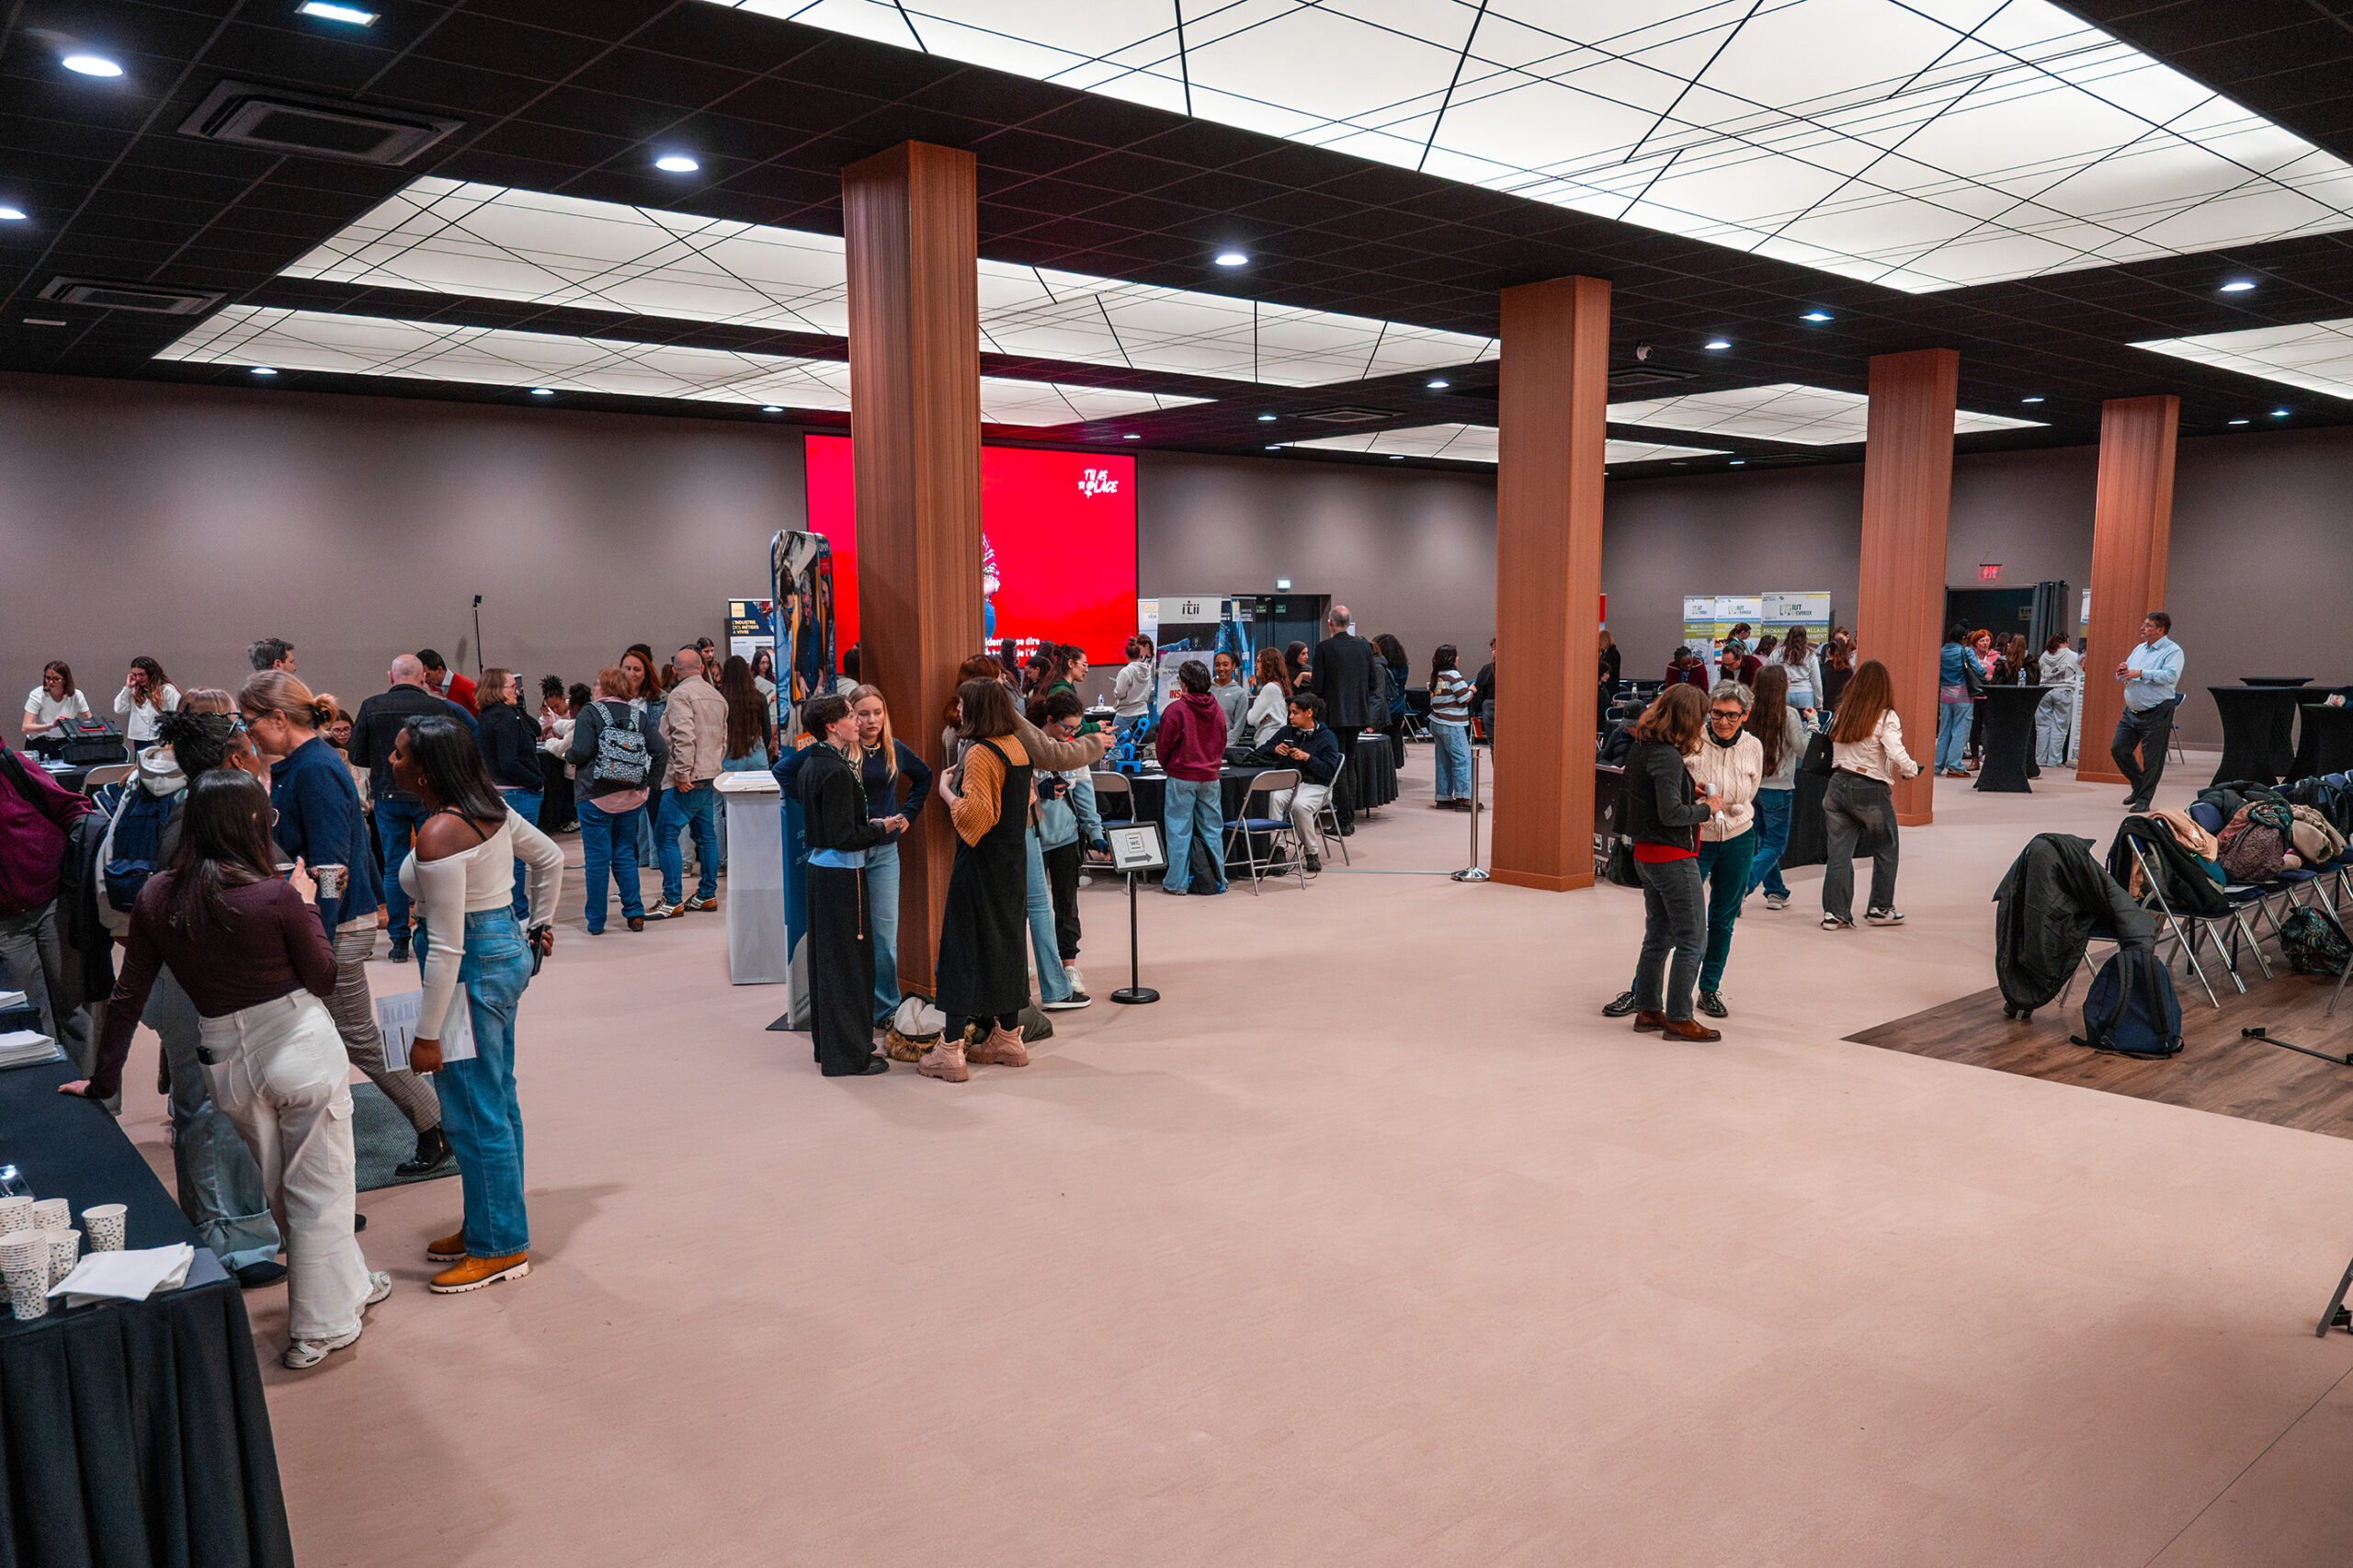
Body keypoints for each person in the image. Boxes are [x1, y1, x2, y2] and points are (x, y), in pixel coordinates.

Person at [66, 771, 389, 1368]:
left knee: (285, 1190)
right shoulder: (274, 896)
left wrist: (104, 1081)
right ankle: (319, 1328)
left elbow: (128, 995)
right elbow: (323, 977)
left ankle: (351, 1287)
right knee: (320, 1188)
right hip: (297, 1045)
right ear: (249, 825)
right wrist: (311, 904)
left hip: (225, 1063)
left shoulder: (161, 896)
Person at [90, 705, 285, 1284]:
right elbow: (209, 897)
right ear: (232, 757)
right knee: (215, 1109)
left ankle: (216, 1228)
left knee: (203, 1107)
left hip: (176, 976)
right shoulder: (203, 812)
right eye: (249, 745)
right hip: (197, 978)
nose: (256, 753)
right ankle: (235, 1247)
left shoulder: (166, 795)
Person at [243, 671, 449, 1176]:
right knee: (350, 1037)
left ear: (277, 718)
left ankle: (435, 1127)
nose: (248, 733)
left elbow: (330, 867)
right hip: (329, 921)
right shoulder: (301, 764)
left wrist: (320, 929)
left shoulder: (314, 768)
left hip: (336, 926)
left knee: (360, 1040)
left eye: (250, 722)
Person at [390, 716, 562, 1294]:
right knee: (495, 1096)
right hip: (501, 948)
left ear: (425, 768)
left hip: (471, 963)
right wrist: (537, 925)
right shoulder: (488, 808)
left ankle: (499, 1248)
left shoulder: (441, 833)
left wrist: (427, 1032)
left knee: (471, 1106)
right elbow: (551, 860)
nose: (391, 761)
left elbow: (446, 945)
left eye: (398, 753)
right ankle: (490, 1223)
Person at [925, 679, 1040, 1083]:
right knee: (1007, 943)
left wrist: (944, 790)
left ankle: (950, 1049)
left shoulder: (979, 753)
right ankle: (1008, 1037)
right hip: (1012, 861)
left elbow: (974, 820)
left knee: (962, 948)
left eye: (961, 703)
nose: (957, 709)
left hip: (979, 864)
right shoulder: (1017, 746)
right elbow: (1024, 801)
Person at [792, 693, 903, 1076]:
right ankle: (849, 1055)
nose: (858, 722)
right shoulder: (836, 770)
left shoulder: (815, 763)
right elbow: (844, 836)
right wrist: (880, 828)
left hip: (824, 873)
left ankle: (832, 1048)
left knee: (830, 961)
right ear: (831, 726)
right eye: (850, 716)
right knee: (847, 963)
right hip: (843, 874)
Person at [349, 653, 477, 963]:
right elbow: (472, 731)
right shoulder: (439, 705)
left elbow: (356, 754)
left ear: (391, 677)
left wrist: (387, 763)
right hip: (429, 795)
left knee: (393, 867)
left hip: (387, 795)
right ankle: (436, 932)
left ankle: (397, 941)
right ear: (423, 678)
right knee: (435, 864)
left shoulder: (370, 706)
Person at [1612, 685, 1723, 1042]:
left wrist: (1685, 789)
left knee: (1658, 936)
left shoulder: (1643, 748)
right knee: (1693, 939)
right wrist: (1708, 808)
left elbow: (1654, 798)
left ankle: (1648, 1009)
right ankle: (1678, 1016)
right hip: (1671, 857)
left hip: (1648, 855)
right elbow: (1671, 814)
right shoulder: (1666, 756)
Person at [0, 721, 96, 1080]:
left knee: (74, 1009)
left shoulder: (11, 766)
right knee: (30, 1018)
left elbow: (74, 809)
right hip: (7, 923)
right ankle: (57, 1102)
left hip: (54, 903)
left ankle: (93, 1100)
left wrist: (85, 863)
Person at [847, 684, 929, 1021]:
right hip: (845, 855)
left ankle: (886, 1010)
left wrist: (908, 816)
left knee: (883, 937)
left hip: (884, 854)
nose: (872, 720)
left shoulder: (893, 749)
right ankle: (852, 1008)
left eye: (877, 713)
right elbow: (786, 772)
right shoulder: (838, 750)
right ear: (851, 715)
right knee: (850, 935)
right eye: (863, 713)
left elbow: (924, 778)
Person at [1820, 659, 1920, 930]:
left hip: (1837, 784)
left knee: (1839, 853)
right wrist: (1911, 770)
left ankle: (1834, 913)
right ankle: (1880, 907)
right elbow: (1895, 750)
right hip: (1869, 789)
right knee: (1887, 848)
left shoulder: (1843, 712)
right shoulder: (1886, 715)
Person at [567, 666, 667, 935]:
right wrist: (649, 785)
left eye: (597, 683)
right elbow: (661, 752)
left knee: (597, 860)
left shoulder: (590, 712)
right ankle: (635, 913)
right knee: (624, 855)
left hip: (595, 797)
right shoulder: (639, 716)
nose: (594, 687)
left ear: (606, 686)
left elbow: (582, 750)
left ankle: (596, 921)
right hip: (630, 798)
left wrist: (565, 753)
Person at [1686, 682, 1762, 1018]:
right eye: (1717, 713)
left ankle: (1709, 988)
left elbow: (1750, 791)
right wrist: (1695, 793)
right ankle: (1644, 989)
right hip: (1696, 836)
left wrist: (1727, 804)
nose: (1723, 721)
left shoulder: (1753, 746)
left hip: (1738, 836)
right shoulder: (1691, 740)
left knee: (1723, 920)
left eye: (1732, 715)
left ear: (1745, 715)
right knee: (1679, 920)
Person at [1030, 689, 1103, 970]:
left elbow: (1085, 796)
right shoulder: (1030, 746)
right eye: (1066, 727)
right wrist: (1039, 790)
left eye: (1076, 729)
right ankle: (1021, 966)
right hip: (1033, 839)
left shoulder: (1074, 750)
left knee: (1067, 906)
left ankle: (1068, 966)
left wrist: (1095, 833)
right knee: (1025, 908)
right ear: (1049, 720)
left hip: (1066, 838)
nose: (1070, 733)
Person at [652, 644, 725, 918]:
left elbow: (683, 736)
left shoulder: (680, 695)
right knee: (706, 837)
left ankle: (672, 899)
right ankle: (706, 895)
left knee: (665, 835)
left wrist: (682, 773)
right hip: (709, 775)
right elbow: (722, 740)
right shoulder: (716, 696)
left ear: (674, 671)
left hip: (686, 778)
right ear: (702, 668)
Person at [473, 668, 544, 922]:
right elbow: (508, 762)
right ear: (496, 689)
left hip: (506, 790)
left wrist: (519, 705)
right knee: (516, 858)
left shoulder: (498, 714)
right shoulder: (503, 718)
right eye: (510, 686)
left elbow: (535, 727)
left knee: (509, 856)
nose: (516, 690)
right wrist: (536, 783)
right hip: (518, 792)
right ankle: (519, 913)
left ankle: (515, 911)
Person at [1154, 660, 1230, 896]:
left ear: (1183, 684)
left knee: (1179, 831)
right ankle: (1219, 880)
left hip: (1181, 776)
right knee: (1212, 830)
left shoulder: (1175, 710)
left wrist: (1169, 767)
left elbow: (1163, 746)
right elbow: (1223, 740)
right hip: (1210, 777)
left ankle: (1177, 883)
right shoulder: (1217, 708)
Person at [1248, 691, 1343, 874]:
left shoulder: (1327, 737)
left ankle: (1311, 853)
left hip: (1318, 787)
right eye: (1289, 713)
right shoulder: (1287, 732)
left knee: (1300, 805)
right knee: (1275, 797)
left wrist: (1308, 758)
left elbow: (1329, 772)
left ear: (1309, 713)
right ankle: (1278, 848)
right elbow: (1261, 750)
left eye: (1295, 713)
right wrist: (1275, 749)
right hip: (1292, 786)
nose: (1290, 717)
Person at [1309, 604, 1381, 834]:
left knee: (1338, 766)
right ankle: (1348, 817)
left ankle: (1344, 819)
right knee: (1349, 763)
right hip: (1358, 714)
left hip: (1333, 715)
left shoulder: (1324, 648)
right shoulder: (1364, 646)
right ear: (1349, 623)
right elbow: (1372, 683)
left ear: (1330, 623)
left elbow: (1317, 687)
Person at [1744, 665, 1808, 912]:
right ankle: (1741, 888)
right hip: (1778, 789)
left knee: (1763, 842)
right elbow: (1802, 749)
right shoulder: (1788, 715)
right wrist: (1812, 725)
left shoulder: (1749, 713)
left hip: (1753, 787)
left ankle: (1776, 892)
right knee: (1775, 845)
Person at [2111, 610, 2184, 811]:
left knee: (2153, 758)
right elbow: (2128, 673)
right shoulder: (2139, 649)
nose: (2143, 629)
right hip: (2132, 712)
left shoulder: (2172, 651)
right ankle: (2138, 784)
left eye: (2148, 626)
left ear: (2160, 630)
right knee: (2118, 749)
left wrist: (2140, 673)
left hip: (2157, 712)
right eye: (2144, 625)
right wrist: (2123, 672)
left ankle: (2144, 799)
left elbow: (2170, 676)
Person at [622, 644, 667, 869]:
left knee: (656, 825)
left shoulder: (660, 700)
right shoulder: (612, 702)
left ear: (646, 671)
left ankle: (657, 866)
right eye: (627, 668)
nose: (632, 673)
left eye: (637, 669)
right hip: (621, 774)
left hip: (650, 772)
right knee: (626, 832)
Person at [1427, 643, 1476, 810]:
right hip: (1451, 724)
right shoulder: (1454, 675)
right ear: (1451, 659)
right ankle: (1463, 797)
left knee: (1443, 761)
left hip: (1436, 722)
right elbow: (1464, 698)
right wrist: (1472, 690)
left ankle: (1443, 797)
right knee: (1463, 759)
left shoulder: (1437, 676)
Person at [718, 654, 775, 772]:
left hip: (731, 750)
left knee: (729, 789)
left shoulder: (721, 699)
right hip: (757, 749)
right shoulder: (759, 698)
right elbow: (767, 731)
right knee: (759, 788)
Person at [1935, 624, 1976, 778]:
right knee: (1960, 729)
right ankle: (1954, 766)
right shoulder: (1965, 652)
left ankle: (1937, 765)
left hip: (1945, 693)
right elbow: (1979, 670)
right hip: (1962, 693)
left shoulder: (1941, 652)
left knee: (1944, 730)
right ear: (1963, 638)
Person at [113, 656, 181, 744]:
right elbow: (120, 710)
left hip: (161, 739)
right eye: (134, 675)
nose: (137, 679)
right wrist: (127, 688)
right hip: (140, 739)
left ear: (151, 674)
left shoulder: (167, 691)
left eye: (141, 675)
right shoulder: (133, 690)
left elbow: (177, 716)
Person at [21, 659, 89, 741]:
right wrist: (51, 726)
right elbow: (25, 728)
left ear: (65, 680)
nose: (50, 682)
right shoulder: (37, 695)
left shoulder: (77, 695)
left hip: (67, 740)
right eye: (48, 678)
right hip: (40, 740)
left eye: (56, 679)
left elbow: (89, 721)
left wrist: (71, 724)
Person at [1240, 647, 1291, 746]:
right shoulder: (1280, 686)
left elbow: (1251, 719)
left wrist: (1257, 716)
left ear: (1268, 664)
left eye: (1259, 661)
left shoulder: (1270, 689)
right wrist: (1260, 718)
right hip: (1276, 740)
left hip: (1267, 741)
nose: (1255, 665)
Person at [1774, 627, 1823, 726]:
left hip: (1784, 692)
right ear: (1805, 638)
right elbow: (1816, 682)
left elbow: (1769, 673)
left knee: (1784, 726)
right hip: (1805, 693)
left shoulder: (1777, 653)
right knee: (1804, 726)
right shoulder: (1810, 655)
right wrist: (1819, 703)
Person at [1376, 633, 1411, 765]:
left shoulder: (1381, 668)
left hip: (1383, 709)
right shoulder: (1403, 667)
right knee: (1394, 740)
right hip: (1398, 708)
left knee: (1380, 743)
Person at [416, 649, 478, 714]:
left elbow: (481, 713)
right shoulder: (428, 687)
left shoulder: (466, 686)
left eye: (427, 675)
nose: (424, 679)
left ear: (439, 669)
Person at [1111, 636, 1156, 722]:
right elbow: (1149, 690)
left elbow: (1119, 693)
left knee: (1117, 736)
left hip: (1126, 714)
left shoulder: (1126, 672)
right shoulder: (1148, 670)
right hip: (1143, 712)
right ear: (1140, 655)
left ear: (1127, 656)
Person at [1210, 650, 1251, 739]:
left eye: (1225, 664)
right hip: (1204, 747)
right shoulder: (1206, 688)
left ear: (1233, 666)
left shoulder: (1240, 693)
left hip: (1225, 747)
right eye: (1217, 665)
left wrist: (1225, 745)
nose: (1221, 668)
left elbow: (1238, 727)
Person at [1822, 628, 1855, 711]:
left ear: (1829, 650)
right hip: (1844, 707)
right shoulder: (1849, 669)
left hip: (1828, 707)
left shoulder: (1825, 669)